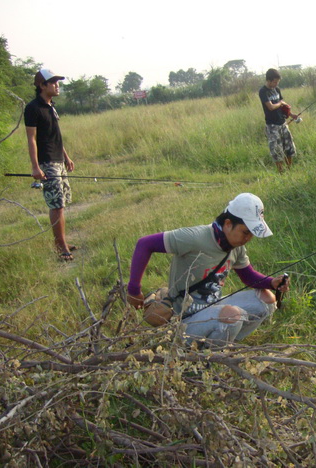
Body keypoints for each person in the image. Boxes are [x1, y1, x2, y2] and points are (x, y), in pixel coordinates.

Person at [126, 193, 290, 346]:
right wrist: (134, 290)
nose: (248, 239)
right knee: (233, 316)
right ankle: (201, 356)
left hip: (212, 304)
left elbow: (248, 276)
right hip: (183, 317)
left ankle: (226, 341)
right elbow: (144, 244)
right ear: (228, 224)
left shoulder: (236, 246)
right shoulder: (194, 238)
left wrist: (271, 283)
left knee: (266, 299)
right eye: (245, 232)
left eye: (252, 234)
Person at [24, 68, 76, 262]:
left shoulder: (51, 106)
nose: (57, 85)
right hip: (47, 162)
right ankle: (61, 247)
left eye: (57, 82)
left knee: (61, 204)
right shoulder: (33, 108)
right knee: (56, 204)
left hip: (59, 160)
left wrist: (66, 157)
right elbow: (32, 139)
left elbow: (55, 136)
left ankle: (61, 241)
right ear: (41, 85)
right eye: (53, 82)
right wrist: (35, 167)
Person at [259, 68, 298, 174]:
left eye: (277, 82)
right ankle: (281, 173)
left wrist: (291, 114)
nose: (276, 84)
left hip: (283, 123)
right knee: (277, 151)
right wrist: (280, 103)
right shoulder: (263, 92)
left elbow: (282, 104)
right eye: (275, 82)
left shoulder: (277, 90)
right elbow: (271, 107)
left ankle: (289, 171)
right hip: (272, 126)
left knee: (289, 148)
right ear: (269, 80)